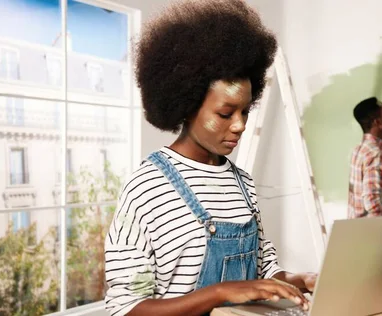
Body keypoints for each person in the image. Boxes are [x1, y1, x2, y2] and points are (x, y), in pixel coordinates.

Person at [104, 1, 316, 315]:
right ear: (187, 104)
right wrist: (218, 293)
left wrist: (296, 280)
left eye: (245, 111)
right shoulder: (147, 188)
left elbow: (260, 267)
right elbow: (125, 309)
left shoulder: (241, 182)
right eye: (225, 113)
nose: (240, 124)